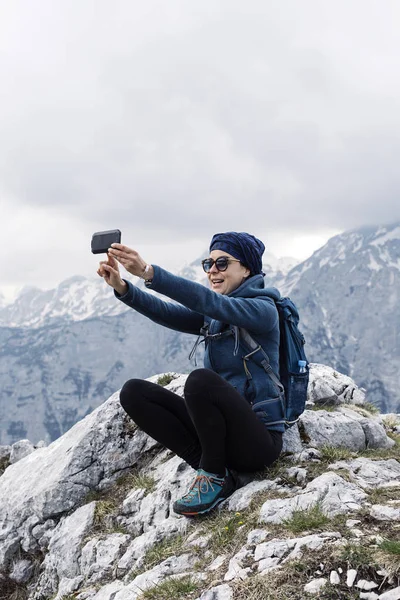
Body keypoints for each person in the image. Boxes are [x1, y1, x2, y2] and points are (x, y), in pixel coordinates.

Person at [97, 232, 283, 517]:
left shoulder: (263, 310)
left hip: (257, 442)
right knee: (134, 392)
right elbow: (169, 313)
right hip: (223, 437)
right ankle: (216, 472)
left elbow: (211, 303)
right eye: (209, 263)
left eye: (223, 263)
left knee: (200, 381)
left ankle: (211, 477)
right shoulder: (217, 313)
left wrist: (149, 272)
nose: (212, 271)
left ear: (247, 269)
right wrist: (123, 287)